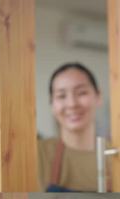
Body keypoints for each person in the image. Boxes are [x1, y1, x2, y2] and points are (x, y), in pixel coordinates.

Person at [38, 63, 106, 192]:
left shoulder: (119, 156)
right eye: (61, 96)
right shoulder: (35, 155)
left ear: (98, 97)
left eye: (81, 93)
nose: (72, 104)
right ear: (52, 104)